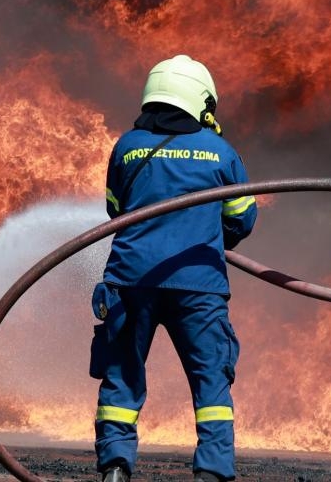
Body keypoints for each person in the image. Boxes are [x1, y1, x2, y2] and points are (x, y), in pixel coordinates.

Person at [91, 55, 257, 482]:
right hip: (197, 284)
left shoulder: (127, 146)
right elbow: (242, 218)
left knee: (122, 375)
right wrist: (208, 232)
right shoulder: (220, 151)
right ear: (202, 101)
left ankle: (115, 467)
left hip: (131, 279)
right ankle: (211, 472)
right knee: (210, 382)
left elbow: (115, 208)